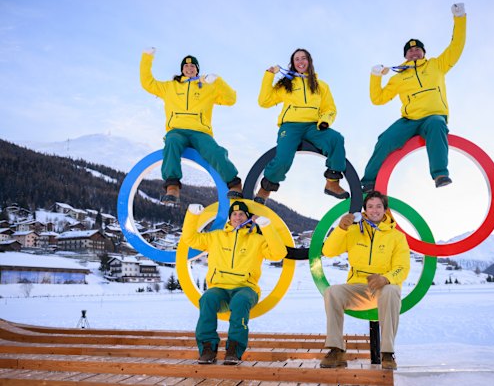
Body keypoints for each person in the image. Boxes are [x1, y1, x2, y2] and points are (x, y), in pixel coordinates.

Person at [361, 3, 467, 192]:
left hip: (433, 116)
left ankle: (440, 173)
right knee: (385, 139)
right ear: (406, 56)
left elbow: (456, 46)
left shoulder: (437, 65)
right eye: (410, 50)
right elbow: (378, 99)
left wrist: (459, 18)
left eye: (418, 49)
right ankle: (369, 181)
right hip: (409, 120)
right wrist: (375, 76)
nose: (414, 51)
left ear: (424, 53)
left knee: (437, 124)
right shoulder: (399, 76)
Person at [181, 200, 287, 365]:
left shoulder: (257, 240)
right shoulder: (215, 237)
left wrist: (266, 226)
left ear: (248, 217)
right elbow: (190, 238)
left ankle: (234, 350)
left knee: (240, 301)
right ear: (229, 218)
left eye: (241, 214)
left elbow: (279, 253)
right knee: (207, 299)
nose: (238, 217)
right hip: (219, 288)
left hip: (246, 288)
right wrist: (192, 215)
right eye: (234, 214)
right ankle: (208, 348)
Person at [319, 191, 410, 370]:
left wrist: (386, 278)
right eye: (370, 206)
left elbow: (403, 267)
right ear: (365, 210)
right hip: (358, 288)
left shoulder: (397, 237)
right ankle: (336, 350)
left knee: (392, 290)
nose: (374, 210)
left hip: (383, 288)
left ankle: (387, 353)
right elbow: (328, 251)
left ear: (385, 210)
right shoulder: (353, 230)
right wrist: (340, 229)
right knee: (332, 292)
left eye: (378, 206)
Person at [140, 48, 243, 204]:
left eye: (193, 66)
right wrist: (147, 58)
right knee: (171, 142)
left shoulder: (208, 87)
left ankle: (234, 184)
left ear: (197, 69)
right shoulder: (170, 87)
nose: (189, 68)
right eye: (186, 66)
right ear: (182, 69)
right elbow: (147, 83)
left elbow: (231, 99)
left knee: (214, 151)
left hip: (200, 132)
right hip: (177, 130)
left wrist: (217, 81)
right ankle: (172, 187)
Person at [255, 48, 349, 204]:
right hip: (291, 126)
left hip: (314, 126)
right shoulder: (286, 83)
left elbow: (330, 108)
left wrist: (325, 120)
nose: (300, 61)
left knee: (336, 139)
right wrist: (269, 75)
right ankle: (266, 188)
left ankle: (332, 182)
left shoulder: (321, 86)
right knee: (283, 158)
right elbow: (264, 101)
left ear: (309, 61)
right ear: (292, 63)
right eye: (296, 59)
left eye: (303, 58)